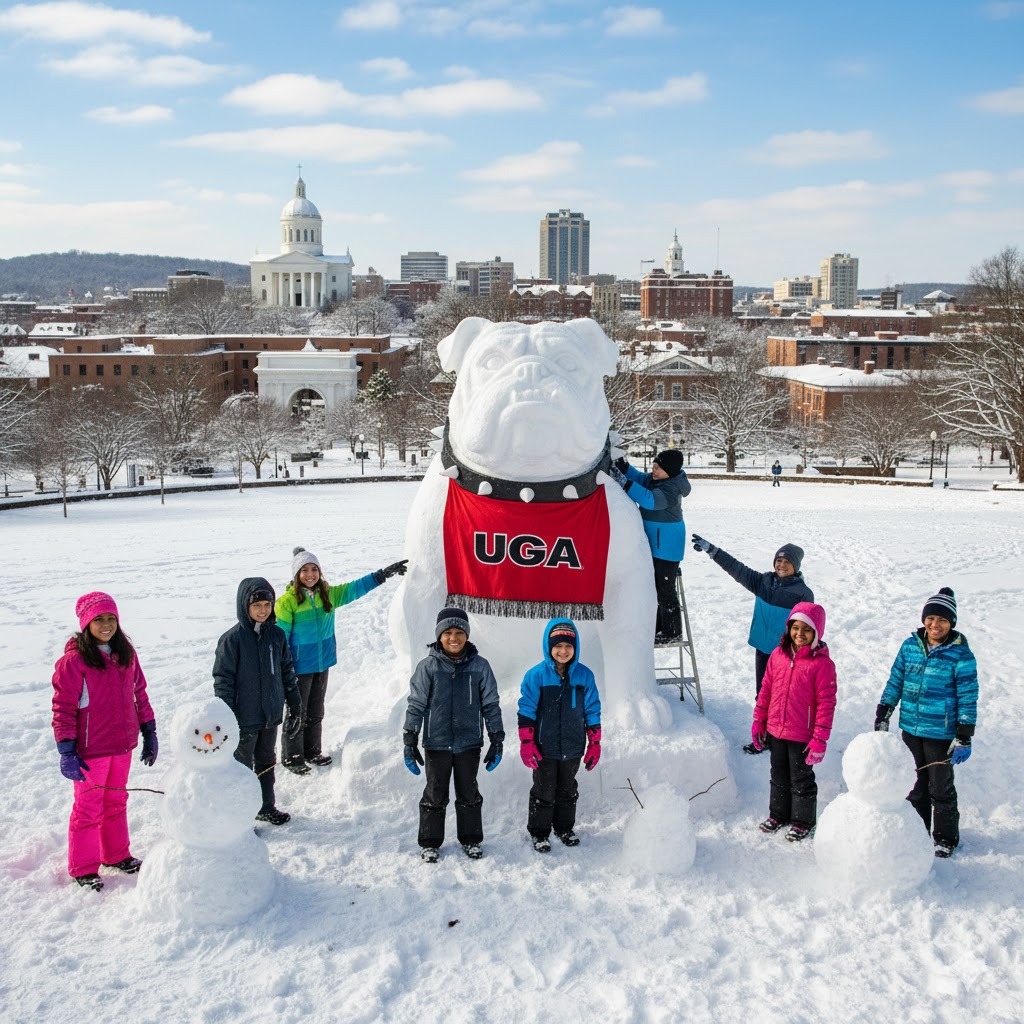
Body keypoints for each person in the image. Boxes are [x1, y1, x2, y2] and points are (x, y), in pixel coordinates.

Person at [51, 592, 158, 891]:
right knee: (88, 808)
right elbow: (63, 708)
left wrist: (149, 729)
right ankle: (83, 867)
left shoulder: (126, 654)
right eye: (99, 619)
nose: (107, 624)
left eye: (111, 618)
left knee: (116, 801)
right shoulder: (74, 662)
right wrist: (66, 749)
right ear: (87, 623)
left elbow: (140, 694)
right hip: (90, 751)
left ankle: (116, 854)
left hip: (122, 745)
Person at [276, 545, 408, 774]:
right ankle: (292, 757)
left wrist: (382, 575)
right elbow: (281, 640)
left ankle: (312, 751)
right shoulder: (287, 602)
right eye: (305, 570)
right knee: (298, 712)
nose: (310, 574)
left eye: (314, 569)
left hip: (322, 662)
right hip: (299, 667)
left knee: (316, 710)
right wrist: (284, 668)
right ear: (296, 575)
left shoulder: (327, 594)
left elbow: (354, 589)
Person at [874, 587, 978, 858]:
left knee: (940, 787)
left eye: (942, 620)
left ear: (951, 623)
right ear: (924, 619)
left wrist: (964, 734)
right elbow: (896, 679)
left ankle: (945, 838)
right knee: (915, 785)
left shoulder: (961, 655)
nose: (935, 624)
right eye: (931, 618)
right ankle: (918, 832)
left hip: (941, 732)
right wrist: (884, 710)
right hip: (910, 728)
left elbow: (968, 696)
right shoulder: (910, 646)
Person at [691, 535, 813, 753]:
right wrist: (713, 550)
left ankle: (786, 739)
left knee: (785, 697)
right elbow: (737, 569)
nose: (781, 565)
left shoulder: (803, 594)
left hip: (787, 655)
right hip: (763, 650)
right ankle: (765, 739)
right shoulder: (764, 582)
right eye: (778, 560)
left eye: (786, 562)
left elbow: (809, 629)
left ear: (796, 566)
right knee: (763, 695)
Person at [403, 608, 504, 862]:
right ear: (439, 636)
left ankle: (471, 840)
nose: (454, 638)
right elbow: (416, 703)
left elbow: (491, 703)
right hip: (436, 743)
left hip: (469, 743)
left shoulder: (480, 667)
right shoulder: (428, 667)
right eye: (447, 632)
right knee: (435, 793)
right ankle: (429, 842)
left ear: (467, 636)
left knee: (468, 792)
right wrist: (409, 738)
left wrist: (497, 737)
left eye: (459, 632)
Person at [213, 577, 303, 826]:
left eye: (267, 604)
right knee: (241, 769)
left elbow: (287, 671)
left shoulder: (276, 635)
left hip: (269, 715)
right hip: (244, 718)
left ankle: (266, 806)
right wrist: (228, 717)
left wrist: (295, 704)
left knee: (266, 762)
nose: (263, 610)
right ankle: (239, 818)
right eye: (257, 606)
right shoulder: (232, 640)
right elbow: (223, 681)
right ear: (245, 606)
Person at [751, 601, 837, 843]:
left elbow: (826, 705)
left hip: (802, 734)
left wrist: (820, 739)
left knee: (801, 778)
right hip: (776, 729)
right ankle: (778, 814)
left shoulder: (822, 665)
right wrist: (759, 720)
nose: (800, 634)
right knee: (778, 774)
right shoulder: (777, 656)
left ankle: (802, 821)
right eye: (795, 628)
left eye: (807, 630)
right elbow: (766, 690)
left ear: (816, 634)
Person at [518, 619, 602, 852]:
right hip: (544, 746)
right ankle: (539, 832)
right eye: (558, 646)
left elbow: (592, 709)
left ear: (576, 648)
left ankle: (564, 828)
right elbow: (526, 710)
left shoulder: (584, 676)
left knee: (567, 789)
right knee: (543, 789)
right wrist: (527, 742)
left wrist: (594, 742)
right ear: (548, 646)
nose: (563, 651)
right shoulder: (535, 676)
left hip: (574, 745)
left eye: (569, 646)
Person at [614, 449, 692, 643]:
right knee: (655, 588)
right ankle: (659, 628)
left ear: (669, 470)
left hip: (667, 544)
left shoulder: (671, 488)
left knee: (665, 589)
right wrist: (624, 467)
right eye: (654, 466)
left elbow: (650, 501)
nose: (653, 470)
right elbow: (641, 478)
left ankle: (672, 633)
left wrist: (625, 484)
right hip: (656, 542)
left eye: (657, 468)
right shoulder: (658, 479)